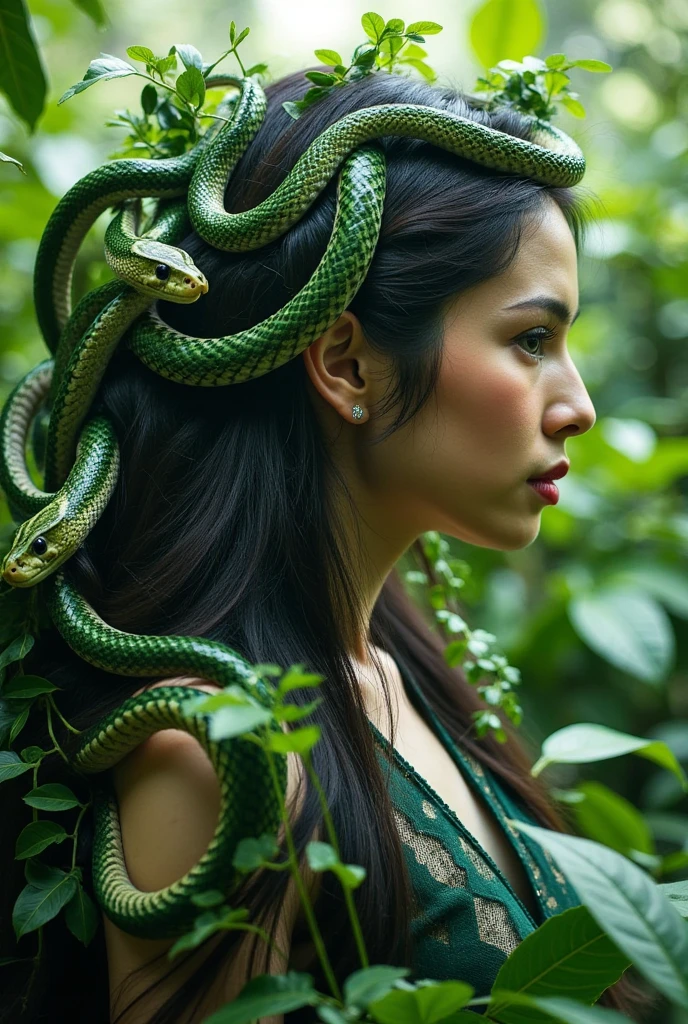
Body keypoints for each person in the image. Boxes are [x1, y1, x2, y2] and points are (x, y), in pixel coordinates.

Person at [0, 68, 658, 1024]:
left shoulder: (410, 670)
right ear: (346, 361)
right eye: (529, 340)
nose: (580, 406)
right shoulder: (214, 757)